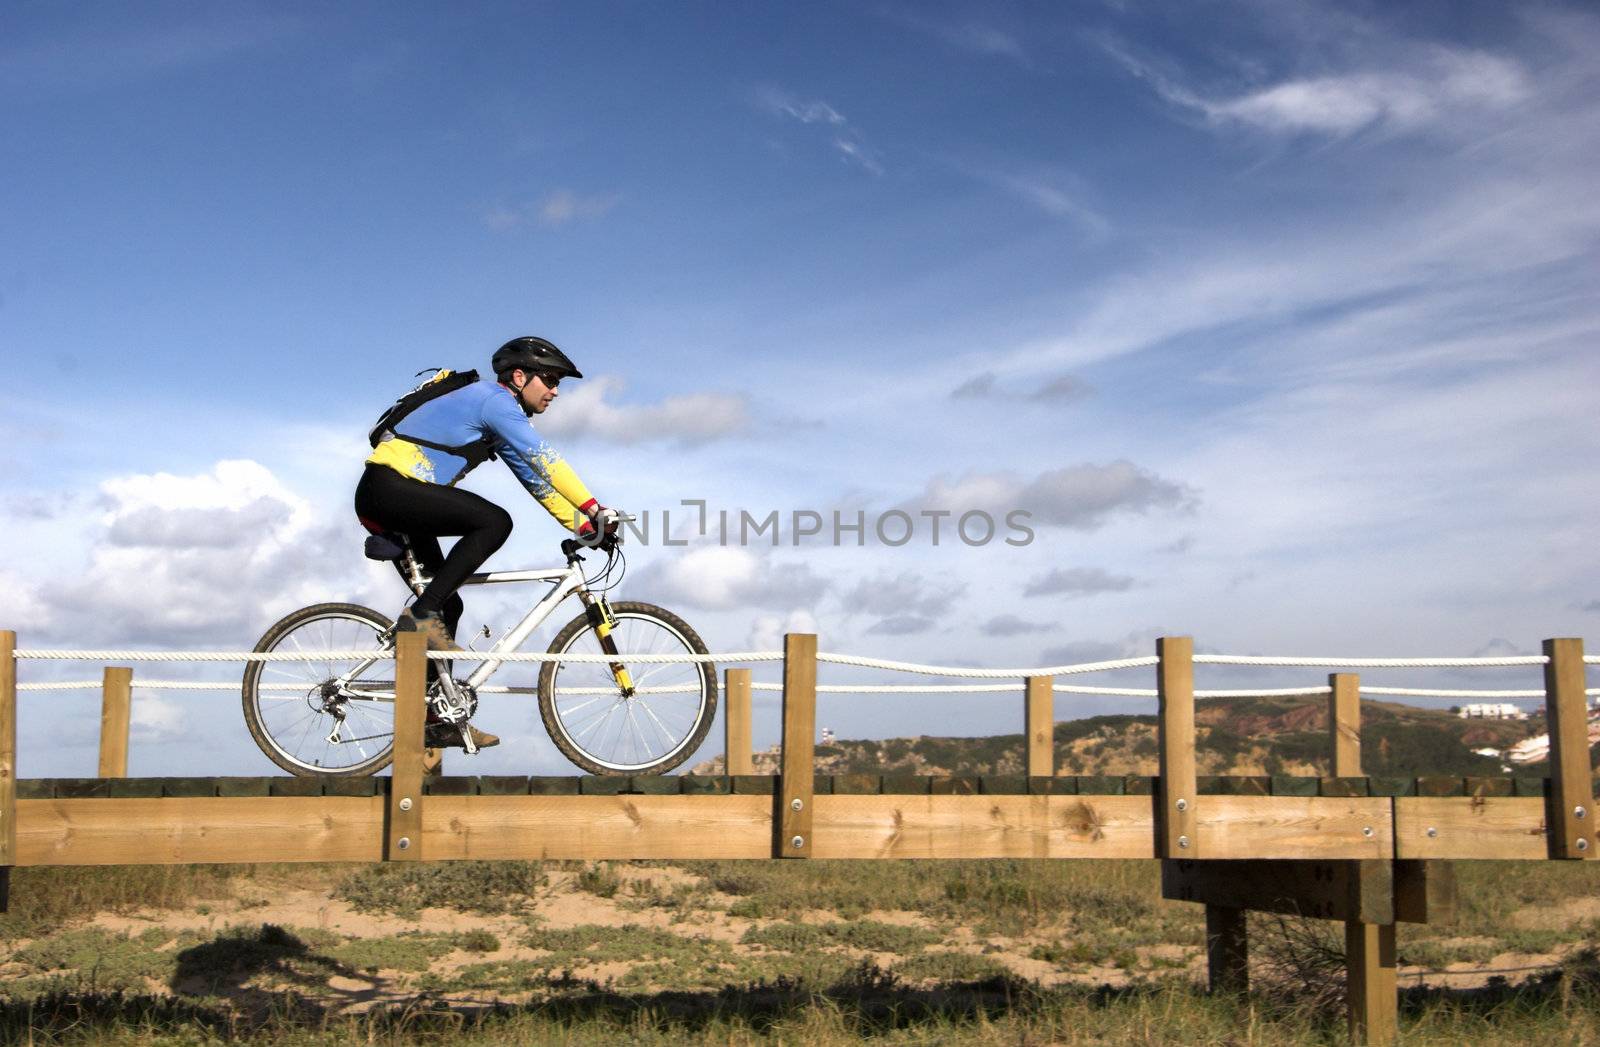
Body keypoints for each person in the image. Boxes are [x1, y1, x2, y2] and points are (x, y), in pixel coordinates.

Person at [354, 336, 618, 749]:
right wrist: (594, 507)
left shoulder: (497, 423)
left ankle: (431, 718)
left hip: (393, 497)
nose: (554, 391)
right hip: (391, 491)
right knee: (493, 522)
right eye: (549, 380)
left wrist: (582, 526)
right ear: (519, 376)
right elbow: (545, 458)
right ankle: (419, 617)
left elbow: (536, 479)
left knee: (448, 604)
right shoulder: (494, 401)